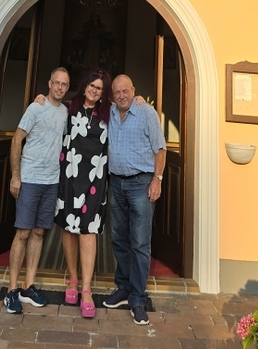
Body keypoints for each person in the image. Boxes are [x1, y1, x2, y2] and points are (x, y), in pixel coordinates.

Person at [3, 67, 71, 315]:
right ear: (49, 84)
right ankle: (11, 290)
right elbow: (16, 139)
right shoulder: (35, 108)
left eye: (64, 84)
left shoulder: (65, 112)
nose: (60, 87)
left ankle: (28, 286)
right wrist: (16, 176)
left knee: (39, 232)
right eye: (56, 83)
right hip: (30, 178)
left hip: (51, 181)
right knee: (23, 232)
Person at [102, 74, 166, 326]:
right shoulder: (108, 112)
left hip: (141, 183)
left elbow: (160, 149)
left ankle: (138, 298)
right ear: (113, 95)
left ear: (134, 90)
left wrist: (157, 179)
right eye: (117, 92)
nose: (122, 96)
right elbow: (82, 103)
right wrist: (45, 98)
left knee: (140, 243)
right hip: (116, 183)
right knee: (119, 238)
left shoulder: (146, 112)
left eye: (125, 91)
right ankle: (124, 287)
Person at [55, 68, 112, 319]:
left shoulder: (109, 113)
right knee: (69, 227)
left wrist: (140, 100)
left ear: (103, 93)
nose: (94, 90)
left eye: (99, 88)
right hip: (69, 175)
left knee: (88, 231)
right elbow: (50, 105)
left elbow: (129, 106)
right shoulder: (68, 108)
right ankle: (73, 279)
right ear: (85, 85)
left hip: (95, 179)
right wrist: (41, 98)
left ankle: (87, 289)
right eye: (92, 85)